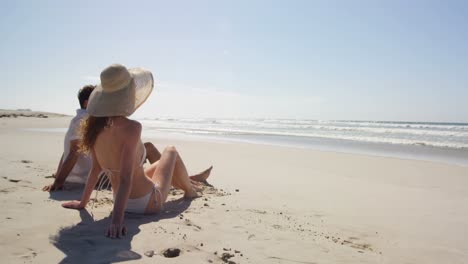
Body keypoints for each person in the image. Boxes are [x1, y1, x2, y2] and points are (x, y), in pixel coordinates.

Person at [62, 64, 212, 238]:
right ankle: (190, 191)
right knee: (170, 151)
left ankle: (190, 180)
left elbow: (96, 170)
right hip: (148, 203)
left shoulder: (93, 129)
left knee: (160, 163)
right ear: (126, 95)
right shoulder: (132, 127)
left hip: (121, 201)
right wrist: (117, 221)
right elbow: (125, 177)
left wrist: (83, 203)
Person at [43, 85, 95, 191]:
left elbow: (66, 152)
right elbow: (73, 151)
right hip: (83, 178)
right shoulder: (81, 121)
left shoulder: (89, 119)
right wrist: (58, 182)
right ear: (86, 103)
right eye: (98, 99)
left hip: (84, 175)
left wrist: (58, 174)